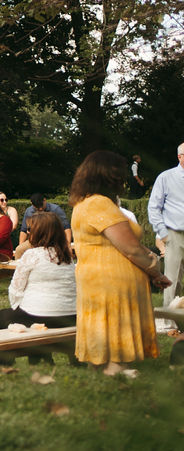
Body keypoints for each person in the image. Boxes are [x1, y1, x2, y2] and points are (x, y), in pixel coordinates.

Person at [71, 150, 169, 375]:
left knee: (100, 323)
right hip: (112, 279)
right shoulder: (100, 204)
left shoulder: (83, 203)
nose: (124, 179)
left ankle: (103, 366)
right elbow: (131, 248)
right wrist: (156, 273)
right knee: (115, 323)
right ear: (109, 176)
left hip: (95, 276)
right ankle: (116, 368)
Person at [0, 212, 77, 330]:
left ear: (39, 232)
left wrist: (19, 306)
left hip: (39, 314)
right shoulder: (67, 257)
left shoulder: (32, 254)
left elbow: (16, 289)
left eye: (30, 229)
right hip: (70, 315)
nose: (28, 232)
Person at [148, 142, 184, 307]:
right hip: (174, 233)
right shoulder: (166, 177)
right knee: (172, 279)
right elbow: (154, 207)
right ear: (180, 157)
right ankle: (171, 321)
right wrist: (163, 234)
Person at [17, 193, 70, 257]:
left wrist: (68, 244)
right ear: (32, 204)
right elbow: (24, 230)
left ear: (44, 200)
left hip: (53, 240)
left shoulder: (56, 209)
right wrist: (21, 244)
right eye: (37, 207)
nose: (40, 209)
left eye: (41, 205)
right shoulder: (29, 211)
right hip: (34, 241)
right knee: (19, 250)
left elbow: (66, 227)